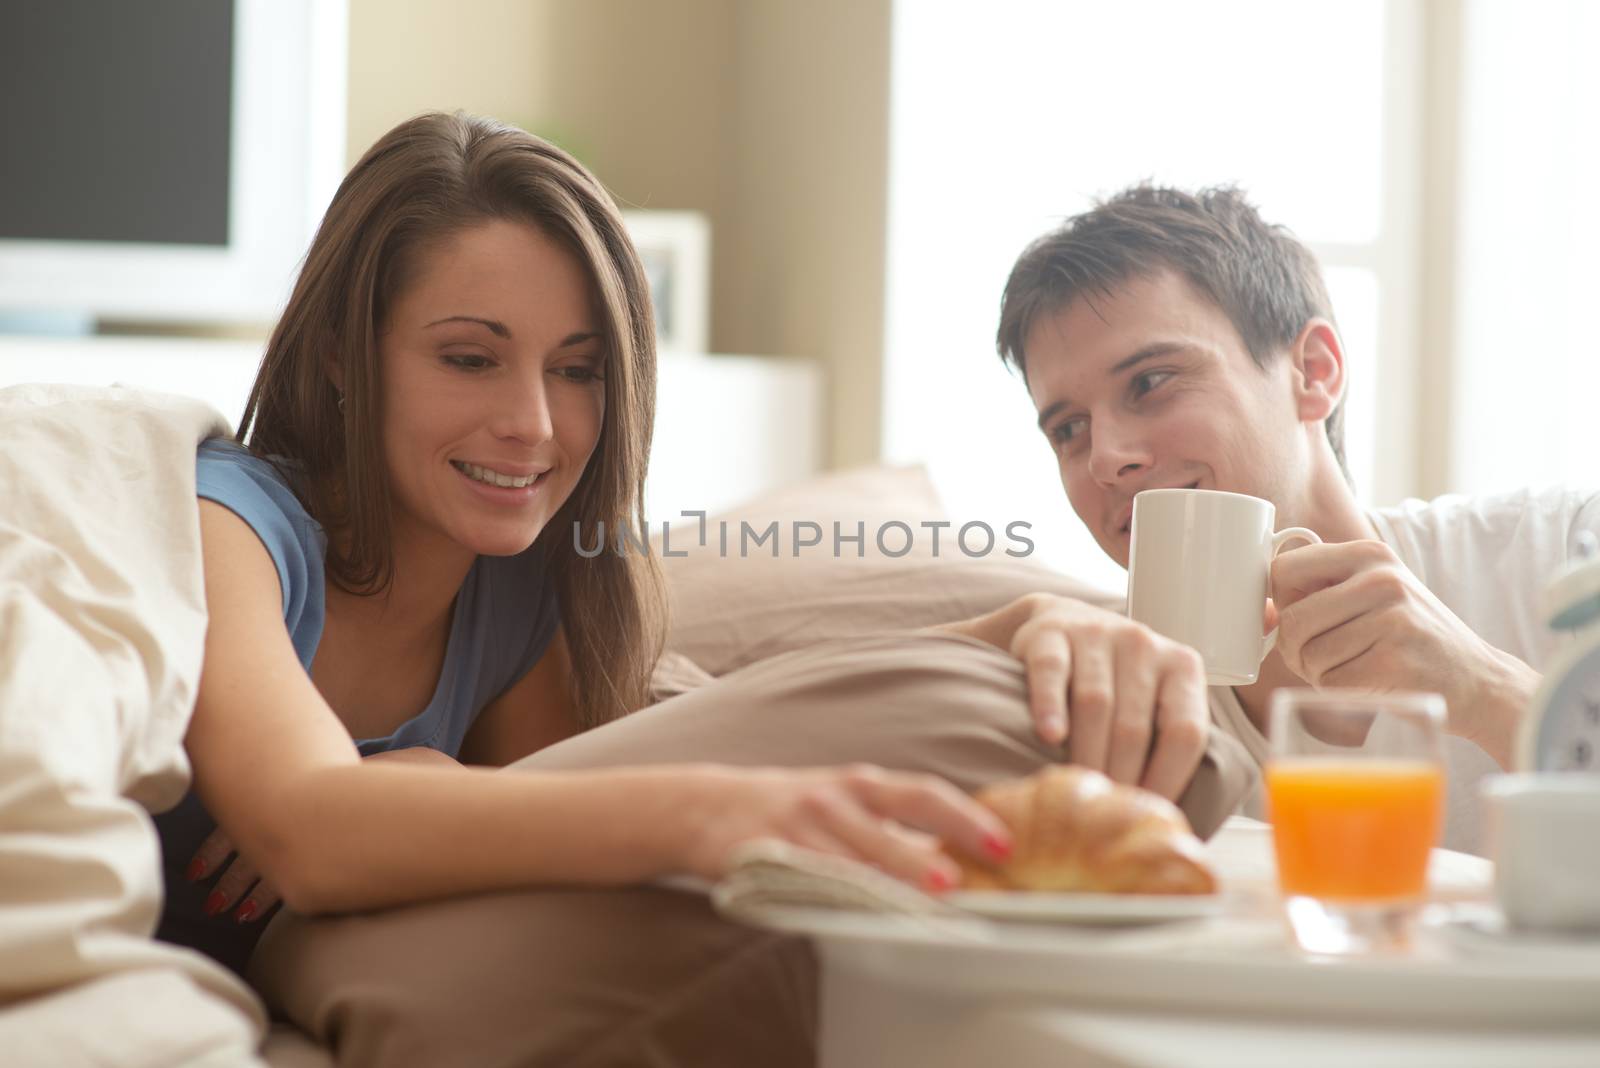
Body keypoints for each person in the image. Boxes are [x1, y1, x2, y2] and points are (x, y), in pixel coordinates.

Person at [148, 110, 1024, 978]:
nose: (532, 426)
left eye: (577, 370)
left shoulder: (524, 590)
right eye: (468, 358)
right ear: (343, 355)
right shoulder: (229, 525)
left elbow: (649, 759)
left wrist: (1013, 633)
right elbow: (312, 832)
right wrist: (690, 815)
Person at [990, 182, 1600, 854]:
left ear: (1313, 372)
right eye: (1069, 429)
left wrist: (1482, 689)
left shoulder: (1564, 552)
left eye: (1150, 382)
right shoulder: (1096, 685)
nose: (1106, 458)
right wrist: (1013, 628)